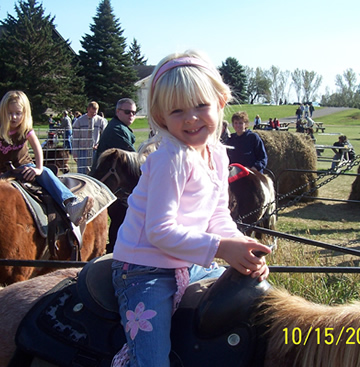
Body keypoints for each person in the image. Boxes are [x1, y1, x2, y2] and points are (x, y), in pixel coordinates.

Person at [111, 50, 271, 367]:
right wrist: (222, 248)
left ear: (220, 102)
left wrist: (241, 248)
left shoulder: (217, 154)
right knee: (152, 361)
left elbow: (217, 215)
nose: (191, 118)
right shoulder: (171, 159)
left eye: (201, 105)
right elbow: (159, 230)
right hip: (144, 270)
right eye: (178, 111)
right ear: (161, 118)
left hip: (187, 262)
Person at [0, 90, 90, 227]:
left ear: (25, 113)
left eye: (18, 113)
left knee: (46, 172)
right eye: (10, 113)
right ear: (3, 111)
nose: (14, 117)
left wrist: (38, 168)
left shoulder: (25, 129)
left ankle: (70, 203)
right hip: (2, 172)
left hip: (25, 168)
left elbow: (37, 148)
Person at [93, 98, 137, 253]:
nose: (131, 115)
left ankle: (116, 249)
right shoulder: (117, 130)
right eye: (127, 112)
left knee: (120, 215)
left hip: (114, 181)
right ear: (118, 112)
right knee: (121, 215)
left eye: (134, 112)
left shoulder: (119, 127)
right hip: (109, 183)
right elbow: (133, 156)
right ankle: (114, 250)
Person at [72, 101, 107, 173]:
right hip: (83, 150)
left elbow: (105, 135)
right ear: (88, 109)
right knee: (82, 172)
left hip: (95, 150)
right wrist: (75, 152)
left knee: (95, 172)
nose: (93, 114)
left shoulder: (101, 121)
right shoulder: (79, 121)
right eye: (92, 112)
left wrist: (98, 144)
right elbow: (75, 138)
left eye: (95, 113)